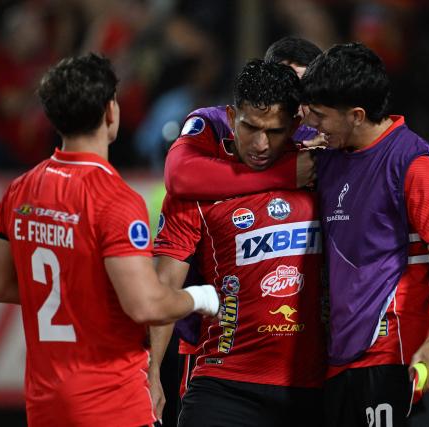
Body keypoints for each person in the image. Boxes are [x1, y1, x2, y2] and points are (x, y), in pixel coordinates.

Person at [0, 53, 219, 427]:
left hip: (45, 405)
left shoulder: (20, 190)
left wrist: (80, 292)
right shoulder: (114, 199)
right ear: (111, 111)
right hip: (110, 403)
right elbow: (146, 305)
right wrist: (203, 297)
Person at [149, 59, 326, 427]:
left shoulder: (322, 172)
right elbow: (163, 286)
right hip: (224, 386)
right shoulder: (199, 188)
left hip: (315, 388)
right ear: (231, 117)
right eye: (251, 128)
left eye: (275, 131)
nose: (261, 144)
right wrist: (149, 374)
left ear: (296, 124)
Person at [300, 42, 429, 426]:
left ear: (357, 115)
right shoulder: (328, 158)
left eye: (322, 116)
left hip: (397, 357)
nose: (314, 125)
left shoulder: (413, 163)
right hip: (340, 360)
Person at [163, 36, 323, 201]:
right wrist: (285, 175)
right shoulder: (215, 122)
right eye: (284, 86)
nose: (295, 100)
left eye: (304, 90)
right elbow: (178, 175)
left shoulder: (322, 138)